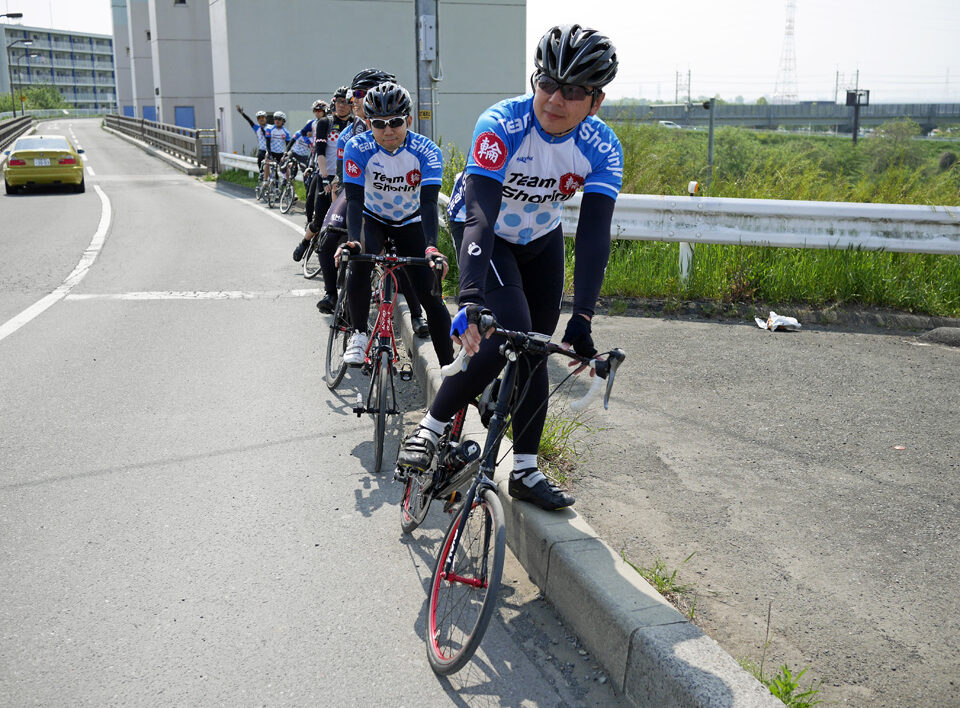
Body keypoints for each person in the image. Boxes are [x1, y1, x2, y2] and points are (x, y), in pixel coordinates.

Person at [398, 24, 623, 511]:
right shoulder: (502, 123)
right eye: (547, 84)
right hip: (486, 230)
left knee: (536, 351)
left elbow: (593, 233)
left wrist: (583, 317)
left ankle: (524, 471)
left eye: (573, 91)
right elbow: (481, 212)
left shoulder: (602, 147)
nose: (556, 99)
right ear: (534, 80)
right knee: (508, 332)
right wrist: (472, 299)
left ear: (595, 101)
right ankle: (430, 428)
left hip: (540, 239)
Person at [339, 81, 454, 367]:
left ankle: (449, 372)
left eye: (396, 122)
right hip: (372, 217)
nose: (388, 130)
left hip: (411, 220)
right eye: (378, 123)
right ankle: (358, 334)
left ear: (409, 120)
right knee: (359, 260)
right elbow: (353, 198)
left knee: (432, 297)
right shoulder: (357, 146)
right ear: (368, 122)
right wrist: (353, 239)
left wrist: (431, 247)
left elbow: (428, 203)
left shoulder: (426, 151)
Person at [294, 92, 350, 262]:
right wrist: (325, 176)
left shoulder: (356, 124)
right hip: (327, 175)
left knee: (347, 220)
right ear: (334, 103)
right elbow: (320, 152)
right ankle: (305, 242)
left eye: (346, 102)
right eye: (339, 101)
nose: (342, 105)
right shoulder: (325, 122)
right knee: (320, 218)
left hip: (347, 177)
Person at [262, 111, 291, 187]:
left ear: (283, 121)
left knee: (286, 166)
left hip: (280, 153)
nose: (277, 121)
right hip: (271, 151)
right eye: (275, 119)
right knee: (267, 162)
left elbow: (288, 145)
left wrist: (286, 155)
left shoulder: (286, 132)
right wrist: (269, 154)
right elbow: (267, 143)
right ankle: (265, 180)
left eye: (279, 119)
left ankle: (288, 184)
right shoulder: (269, 129)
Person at [236, 105, 269, 171]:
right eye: (259, 118)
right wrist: (242, 113)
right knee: (259, 158)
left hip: (271, 150)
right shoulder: (256, 128)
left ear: (266, 119)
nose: (261, 119)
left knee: (274, 166)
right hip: (262, 150)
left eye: (263, 117)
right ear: (258, 120)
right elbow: (249, 120)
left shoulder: (271, 127)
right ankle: (262, 174)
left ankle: (276, 178)